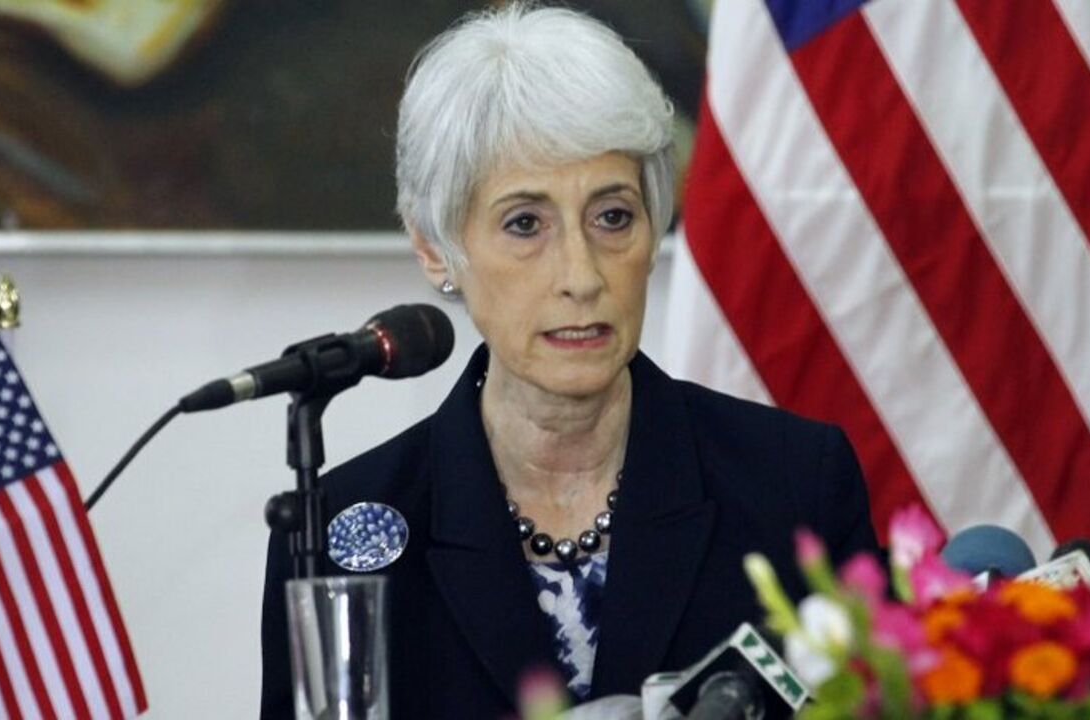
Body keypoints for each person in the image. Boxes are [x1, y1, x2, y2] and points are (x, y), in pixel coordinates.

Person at [259, 4, 877, 717]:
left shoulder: (795, 484)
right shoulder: (343, 528)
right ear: (435, 248)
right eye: (526, 224)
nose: (581, 275)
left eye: (613, 216)